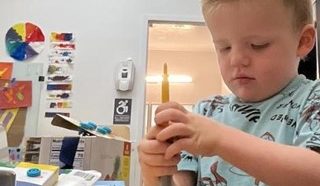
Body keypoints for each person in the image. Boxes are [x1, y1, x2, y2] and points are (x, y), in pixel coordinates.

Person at [138, 0, 320, 185]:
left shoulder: (313, 100)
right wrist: (155, 173)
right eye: (224, 47)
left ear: (303, 41)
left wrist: (220, 139)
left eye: (258, 45)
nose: (236, 60)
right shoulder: (207, 111)